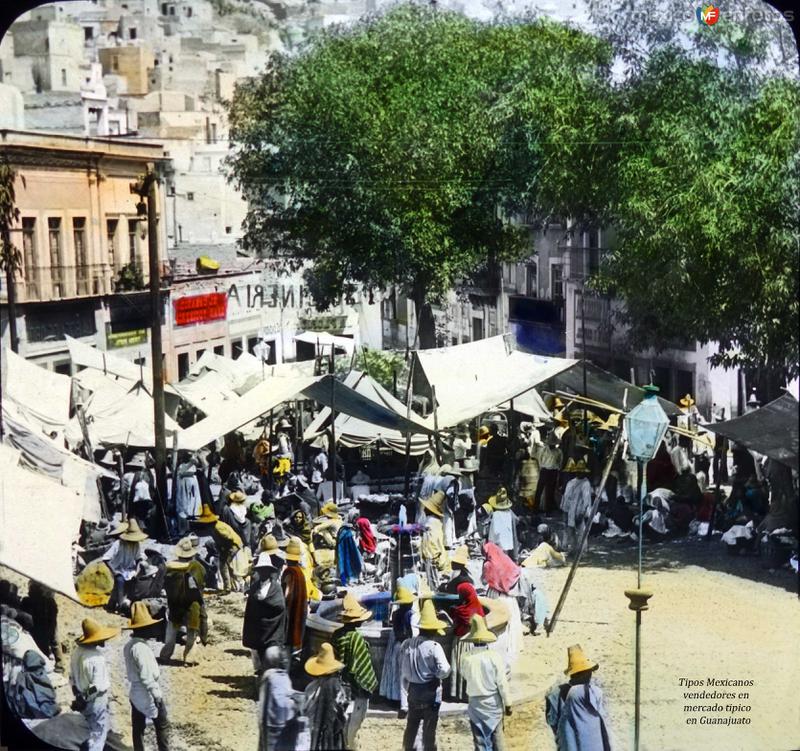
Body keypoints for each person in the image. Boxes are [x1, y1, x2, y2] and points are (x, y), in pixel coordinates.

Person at [400, 599, 451, 751]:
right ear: (433, 630)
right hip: (430, 689)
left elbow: (404, 671)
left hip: (413, 689)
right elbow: (445, 670)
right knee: (429, 727)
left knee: (412, 725)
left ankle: (409, 748)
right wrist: (435, 674)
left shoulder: (407, 644)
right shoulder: (434, 647)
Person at [332, 592, 377, 750]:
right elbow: (358, 666)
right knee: (356, 722)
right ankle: (352, 746)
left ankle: (345, 744)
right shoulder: (356, 638)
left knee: (343, 718)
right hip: (357, 685)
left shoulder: (337, 635)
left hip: (341, 682)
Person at [546, 644, 612, 751]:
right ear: (587, 674)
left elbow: (552, 721)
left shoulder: (555, 694)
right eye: (589, 672)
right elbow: (602, 719)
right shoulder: (594, 692)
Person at [460, 614, 511, 751]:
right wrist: (508, 703)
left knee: (480, 741)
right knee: (497, 737)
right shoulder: (494, 657)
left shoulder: (466, 658)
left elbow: (465, 676)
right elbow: (502, 683)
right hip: (493, 703)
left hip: (475, 704)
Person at [124, 602, 170, 751]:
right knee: (161, 724)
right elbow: (147, 676)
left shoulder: (129, 645)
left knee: (138, 727)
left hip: (134, 691)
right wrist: (156, 695)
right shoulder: (141, 649)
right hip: (146, 691)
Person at [70, 618, 120, 751]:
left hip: (80, 695)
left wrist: (78, 696)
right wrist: (85, 697)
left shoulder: (76, 653)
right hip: (95, 700)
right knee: (97, 733)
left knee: (86, 731)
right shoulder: (97, 657)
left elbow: (72, 678)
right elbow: (96, 686)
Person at [160, 539, 206, 665]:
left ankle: (165, 655)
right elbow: (198, 585)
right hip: (192, 604)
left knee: (171, 630)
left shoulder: (170, 567)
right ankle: (189, 658)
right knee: (192, 631)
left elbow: (164, 585)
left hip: (175, 603)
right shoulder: (195, 567)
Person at [243, 552, 287, 675]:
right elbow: (251, 609)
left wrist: (264, 602)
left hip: (273, 630)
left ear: (269, 571)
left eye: (265, 570)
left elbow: (280, 606)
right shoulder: (255, 587)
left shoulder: (276, 587)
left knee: (272, 658)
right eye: (261, 570)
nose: (263, 573)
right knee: (261, 656)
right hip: (259, 630)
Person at [304, 642, 349, 750]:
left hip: (314, 731)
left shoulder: (311, 687)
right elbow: (342, 712)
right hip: (332, 731)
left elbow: (306, 709)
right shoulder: (336, 686)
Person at [259, 645, 304, 751]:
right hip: (278, 725)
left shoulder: (268, 675)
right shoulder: (278, 678)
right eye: (282, 658)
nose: (285, 660)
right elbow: (281, 703)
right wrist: (295, 702)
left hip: (267, 722)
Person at [380, 585, 417, 711]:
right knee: (406, 675)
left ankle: (395, 699)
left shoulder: (395, 614)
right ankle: (405, 703)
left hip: (397, 645)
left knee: (397, 674)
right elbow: (412, 632)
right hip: (406, 645)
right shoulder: (411, 615)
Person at [192, 504, 245, 593]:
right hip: (228, 545)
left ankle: (228, 588)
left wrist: (224, 548)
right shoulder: (214, 526)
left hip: (233, 545)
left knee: (224, 565)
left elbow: (229, 538)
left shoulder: (218, 527)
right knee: (228, 565)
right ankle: (235, 585)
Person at [102, 518, 149, 613]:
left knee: (134, 581)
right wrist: (114, 572)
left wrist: (138, 568)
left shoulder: (136, 545)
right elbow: (106, 558)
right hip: (118, 569)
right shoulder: (118, 544)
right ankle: (120, 606)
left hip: (130, 570)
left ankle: (120, 603)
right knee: (120, 580)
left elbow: (138, 558)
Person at [448, 582, 485, 701]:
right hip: (474, 641)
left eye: (460, 594)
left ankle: (459, 694)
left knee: (460, 667)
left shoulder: (461, 611)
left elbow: (456, 623)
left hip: (463, 642)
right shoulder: (478, 607)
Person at [22, 581, 65, 673]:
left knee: (46, 642)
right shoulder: (50, 601)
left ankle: (48, 664)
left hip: (38, 627)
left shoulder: (29, 601)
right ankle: (59, 664)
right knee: (54, 640)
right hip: (47, 625)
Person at [7, 650, 59, 720]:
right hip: (39, 710)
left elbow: (15, 695)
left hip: (32, 711)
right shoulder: (40, 674)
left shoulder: (23, 676)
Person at [281, 537, 309, 659]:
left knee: (289, 633)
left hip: (291, 608)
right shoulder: (300, 571)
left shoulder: (289, 572)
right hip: (300, 607)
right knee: (297, 631)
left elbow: (287, 593)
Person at [560, 460, 593, 554]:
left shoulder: (585, 483)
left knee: (581, 531)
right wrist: (564, 510)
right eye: (578, 471)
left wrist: (582, 513)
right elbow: (565, 497)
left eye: (581, 471)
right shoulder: (571, 482)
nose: (579, 473)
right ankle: (571, 549)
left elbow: (587, 501)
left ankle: (582, 550)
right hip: (569, 510)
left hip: (579, 511)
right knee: (569, 531)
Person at [420, 491, 451, 587]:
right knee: (432, 579)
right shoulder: (433, 521)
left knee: (433, 581)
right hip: (432, 554)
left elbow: (433, 540)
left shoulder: (431, 522)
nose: (424, 509)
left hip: (432, 555)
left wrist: (434, 556)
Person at [534, 431, 563, 514]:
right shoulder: (543, 450)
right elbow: (539, 460)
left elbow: (560, 463)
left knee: (550, 491)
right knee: (539, 490)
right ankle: (535, 509)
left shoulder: (559, 452)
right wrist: (541, 468)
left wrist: (557, 470)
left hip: (553, 472)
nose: (552, 445)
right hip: (544, 470)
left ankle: (548, 510)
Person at [486, 488, 519, 561]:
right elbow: (517, 520)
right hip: (508, 540)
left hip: (498, 541)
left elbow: (493, 531)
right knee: (506, 556)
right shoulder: (510, 513)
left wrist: (490, 541)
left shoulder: (496, 515)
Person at [175, 453, 202, 535]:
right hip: (184, 485)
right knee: (183, 504)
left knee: (191, 503)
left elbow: (200, 466)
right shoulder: (181, 466)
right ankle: (183, 527)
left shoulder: (193, 465)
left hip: (192, 484)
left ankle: (188, 526)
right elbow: (181, 472)